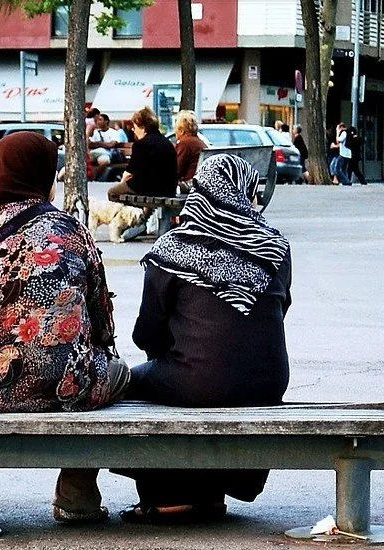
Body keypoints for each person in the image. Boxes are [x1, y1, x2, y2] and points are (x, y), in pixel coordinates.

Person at [0, 131, 130, 524]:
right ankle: (77, 489)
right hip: (60, 385)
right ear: (44, 175)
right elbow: (102, 324)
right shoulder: (72, 232)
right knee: (113, 373)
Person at [115, 154, 291, 524]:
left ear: (200, 192)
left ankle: (168, 496)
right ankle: (211, 494)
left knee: (132, 387)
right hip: (267, 382)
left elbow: (147, 331)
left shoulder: (174, 247)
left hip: (196, 379)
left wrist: (180, 354)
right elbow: (277, 311)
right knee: (203, 381)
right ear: (246, 192)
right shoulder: (275, 246)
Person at [108, 107, 177, 201]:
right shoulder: (167, 143)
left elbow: (130, 173)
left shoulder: (141, 144)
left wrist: (122, 185)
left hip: (146, 188)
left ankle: (133, 215)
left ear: (143, 128)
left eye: (135, 127)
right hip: (168, 190)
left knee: (113, 192)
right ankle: (145, 214)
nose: (133, 130)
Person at [172, 110, 207, 193]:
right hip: (200, 185)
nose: (175, 132)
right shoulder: (200, 142)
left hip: (189, 186)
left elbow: (176, 169)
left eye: (176, 129)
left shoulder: (184, 144)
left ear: (181, 131)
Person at [89, 114, 122, 180]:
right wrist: (105, 144)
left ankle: (94, 178)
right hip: (93, 153)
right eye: (97, 120)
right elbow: (90, 144)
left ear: (106, 121)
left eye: (100, 120)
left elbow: (111, 145)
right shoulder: (95, 132)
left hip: (105, 153)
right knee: (85, 160)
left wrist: (98, 143)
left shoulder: (113, 132)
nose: (98, 122)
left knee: (104, 161)